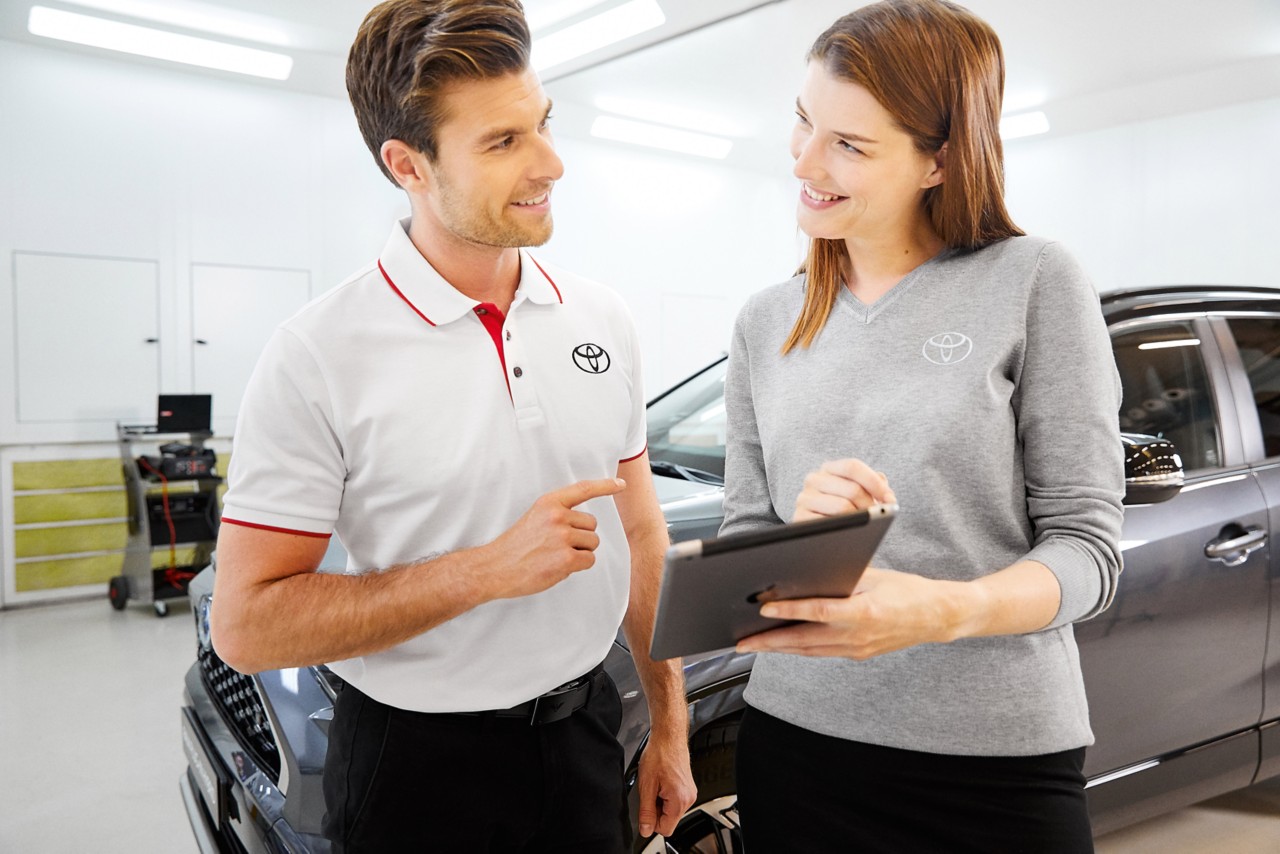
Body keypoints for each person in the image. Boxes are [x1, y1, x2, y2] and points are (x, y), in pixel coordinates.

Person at [208, 1, 695, 850]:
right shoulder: (318, 354)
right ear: (409, 165)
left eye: (542, 123)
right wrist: (484, 572)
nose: (551, 163)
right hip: (415, 768)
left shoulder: (602, 319)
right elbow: (249, 624)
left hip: (585, 735)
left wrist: (669, 726)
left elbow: (641, 530)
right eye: (503, 143)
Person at [720, 1, 1124, 851]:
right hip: (797, 749)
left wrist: (945, 612)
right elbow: (742, 561)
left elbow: (1088, 553)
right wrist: (803, 538)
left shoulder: (1033, 280)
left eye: (850, 146)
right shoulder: (765, 320)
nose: (805, 159)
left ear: (937, 163)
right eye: (803, 121)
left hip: (991, 765)